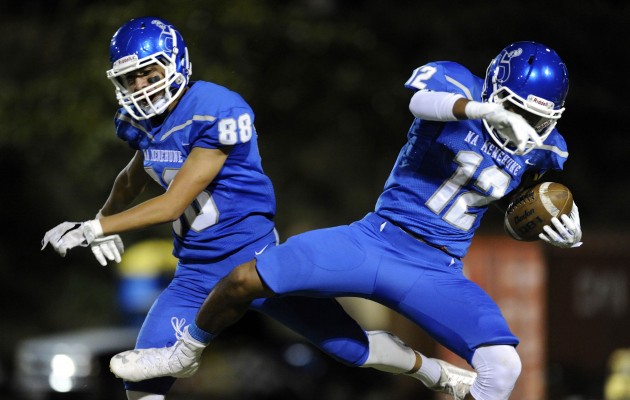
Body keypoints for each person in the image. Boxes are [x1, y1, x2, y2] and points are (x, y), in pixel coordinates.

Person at [107, 41, 584, 400]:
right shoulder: (459, 87)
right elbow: (421, 102)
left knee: (504, 366)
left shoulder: (546, 147)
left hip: (437, 266)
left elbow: (512, 201)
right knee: (243, 278)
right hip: (373, 240)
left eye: (538, 118)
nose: (525, 123)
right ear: (494, 93)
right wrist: (481, 110)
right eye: (516, 108)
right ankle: (183, 353)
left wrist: (557, 227)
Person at [41, 16, 478, 400]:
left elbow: (174, 202)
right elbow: (134, 175)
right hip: (195, 272)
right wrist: (107, 216)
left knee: (351, 348)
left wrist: (95, 228)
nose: (139, 86)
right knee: (141, 382)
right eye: (130, 78)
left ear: (174, 65)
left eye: (147, 72)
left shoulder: (215, 109)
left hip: (256, 263)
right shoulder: (141, 124)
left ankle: (441, 374)